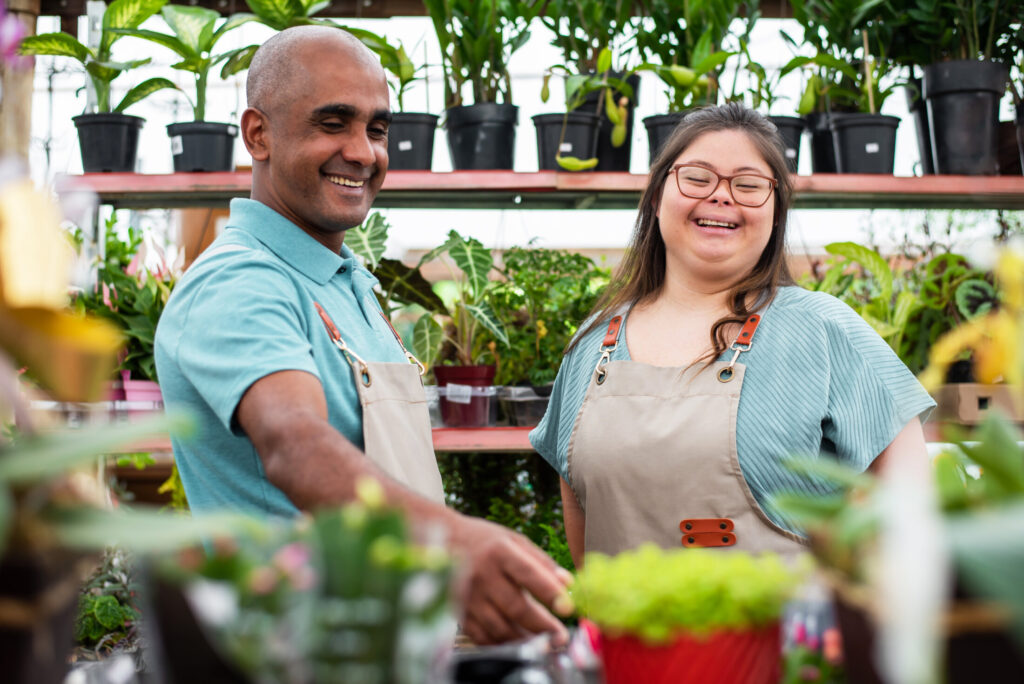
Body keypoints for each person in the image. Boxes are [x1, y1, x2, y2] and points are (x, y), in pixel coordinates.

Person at [154, 25, 573, 645]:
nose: (364, 152)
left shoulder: (346, 279)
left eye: (377, 129)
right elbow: (295, 443)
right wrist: (450, 544)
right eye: (333, 123)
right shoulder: (240, 282)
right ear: (258, 134)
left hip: (384, 643)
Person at [530, 103, 936, 567]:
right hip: (627, 635)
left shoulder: (823, 329)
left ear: (776, 210)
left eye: (748, 185)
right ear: (658, 195)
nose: (722, 197)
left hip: (792, 637)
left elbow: (906, 504)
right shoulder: (592, 343)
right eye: (698, 178)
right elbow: (584, 533)